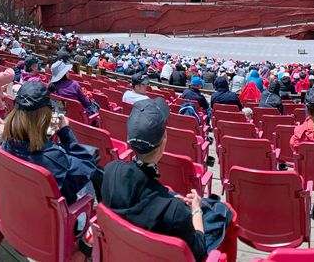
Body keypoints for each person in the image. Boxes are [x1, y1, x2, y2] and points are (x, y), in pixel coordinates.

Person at [101, 98, 236, 262]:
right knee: (226, 213)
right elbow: (199, 249)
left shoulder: (110, 172)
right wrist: (196, 210)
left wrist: (170, 197)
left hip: (125, 251)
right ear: (164, 139)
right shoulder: (175, 212)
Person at [1, 81, 101, 205]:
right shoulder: (53, 156)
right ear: (45, 116)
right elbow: (87, 166)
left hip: (16, 209)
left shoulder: (5, 144)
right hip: (55, 220)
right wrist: (65, 133)